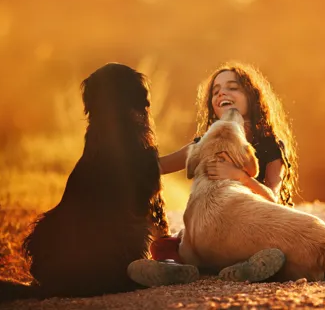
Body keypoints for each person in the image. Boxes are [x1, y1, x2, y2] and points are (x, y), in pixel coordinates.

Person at [127, 62, 299, 287]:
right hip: (210, 234)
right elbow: (156, 167)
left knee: (276, 251)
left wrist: (240, 176)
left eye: (232, 87)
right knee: (167, 245)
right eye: (216, 91)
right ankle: (175, 268)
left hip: (249, 230)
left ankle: (241, 266)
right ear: (212, 105)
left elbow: (273, 199)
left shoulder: (269, 146)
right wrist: (125, 145)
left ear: (252, 96)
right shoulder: (204, 144)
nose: (222, 93)